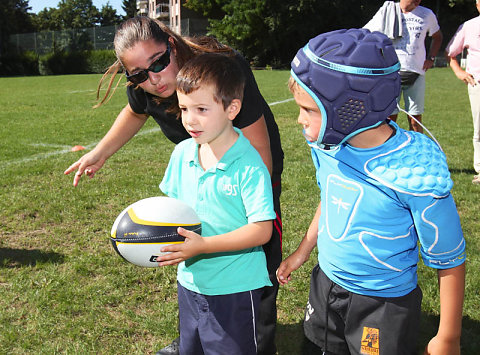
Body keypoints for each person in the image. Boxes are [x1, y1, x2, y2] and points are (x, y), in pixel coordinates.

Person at [63, 16, 283, 355]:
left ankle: (251, 332)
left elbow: (259, 156)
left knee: (250, 264)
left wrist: (246, 201)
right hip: (198, 170)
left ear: (171, 44)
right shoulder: (148, 88)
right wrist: (99, 153)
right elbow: (136, 110)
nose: (153, 79)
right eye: (138, 75)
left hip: (245, 173)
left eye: (159, 63)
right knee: (199, 253)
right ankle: (199, 334)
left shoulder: (221, 69)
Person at [277, 28, 466, 355]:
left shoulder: (414, 171)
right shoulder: (327, 146)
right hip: (326, 286)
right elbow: (330, 198)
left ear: (350, 107)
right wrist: (304, 250)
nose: (299, 120)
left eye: (308, 110)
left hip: (383, 304)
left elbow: (449, 258)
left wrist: (448, 335)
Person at [157, 52, 275, 354]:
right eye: (184, 108)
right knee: (191, 349)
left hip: (234, 286)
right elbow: (173, 210)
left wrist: (203, 246)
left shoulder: (249, 165)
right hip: (191, 282)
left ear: (232, 108)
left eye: (201, 109)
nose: (189, 119)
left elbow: (262, 231)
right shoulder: (183, 153)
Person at [364, 0, 443, 133]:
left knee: (415, 118)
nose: (418, 2)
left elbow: (438, 37)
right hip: (391, 73)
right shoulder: (387, 11)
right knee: (389, 117)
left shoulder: (427, 14)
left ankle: (417, 150)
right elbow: (367, 33)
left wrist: (431, 58)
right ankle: (390, 149)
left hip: (416, 72)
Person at [445, 0, 480, 185]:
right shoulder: (469, 26)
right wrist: (459, 72)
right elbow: (450, 52)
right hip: (478, 83)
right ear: (477, 5)